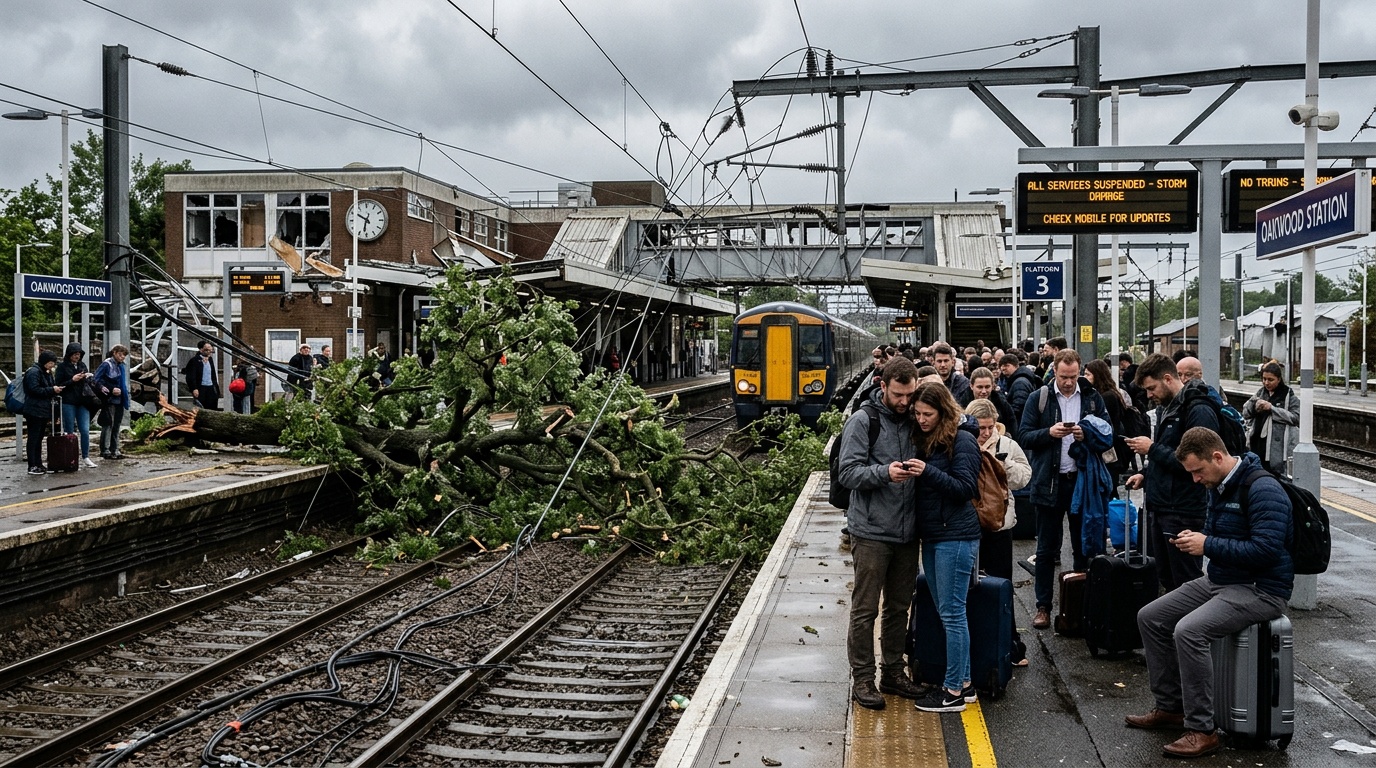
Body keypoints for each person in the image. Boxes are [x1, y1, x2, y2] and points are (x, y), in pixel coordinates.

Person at [1127, 427, 1292, 759]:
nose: (1195, 480)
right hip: (1221, 580)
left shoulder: (1263, 490)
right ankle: (1171, 707)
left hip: (1260, 589)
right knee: (1151, 617)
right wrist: (1198, 537)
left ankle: (1202, 729)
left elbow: (1266, 550)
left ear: (1217, 457)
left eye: (1197, 471)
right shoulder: (1219, 485)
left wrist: (1208, 544)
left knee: (1190, 631)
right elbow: (1225, 537)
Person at [836, 355, 926, 710]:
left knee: (898, 607)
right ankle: (863, 678)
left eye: (910, 395)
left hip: (907, 532)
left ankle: (892, 672)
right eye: (899, 395)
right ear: (883, 386)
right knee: (865, 609)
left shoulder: (916, 420)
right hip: (872, 532)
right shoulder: (864, 421)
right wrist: (884, 473)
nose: (905, 402)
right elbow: (848, 473)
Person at [1018, 348, 1110, 630]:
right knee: (1046, 549)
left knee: (1085, 546)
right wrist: (1049, 433)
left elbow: (1108, 436)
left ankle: (1080, 606)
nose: (1068, 382)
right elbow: (1023, 435)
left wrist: (1088, 435)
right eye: (1063, 377)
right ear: (1054, 372)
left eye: (1072, 377)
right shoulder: (1040, 398)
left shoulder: (1093, 398)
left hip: (1080, 483)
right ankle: (1043, 606)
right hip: (1049, 483)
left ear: (1079, 371)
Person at [908, 382, 982, 713]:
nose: (921, 419)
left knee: (952, 613)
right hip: (935, 535)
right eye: (917, 413)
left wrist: (926, 472)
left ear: (943, 412)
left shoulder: (962, 439)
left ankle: (951, 691)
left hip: (956, 535)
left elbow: (966, 488)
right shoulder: (925, 438)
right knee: (946, 612)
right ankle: (964, 685)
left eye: (928, 414)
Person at [1125, 354, 1221, 592]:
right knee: (1166, 577)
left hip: (1182, 509)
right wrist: (1146, 474)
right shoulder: (1169, 408)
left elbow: (1198, 462)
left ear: (1168, 379)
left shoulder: (1197, 409)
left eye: (1151, 388)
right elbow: (1172, 451)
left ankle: (1191, 628)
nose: (1149, 395)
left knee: (1186, 580)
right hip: (1162, 506)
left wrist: (1152, 449)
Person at [965, 397, 1032, 666]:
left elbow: (1024, 477)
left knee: (1002, 585)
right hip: (968, 526)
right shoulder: (962, 445)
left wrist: (1001, 463)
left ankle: (1010, 643)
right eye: (980, 427)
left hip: (1000, 526)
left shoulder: (1007, 445)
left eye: (990, 427)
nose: (986, 433)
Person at [1243, 362, 1299, 476]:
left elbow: (1296, 418)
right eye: (1264, 379)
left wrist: (1272, 409)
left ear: (1278, 379)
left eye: (1270, 379)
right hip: (1257, 445)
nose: (1266, 383)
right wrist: (1254, 406)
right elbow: (1245, 413)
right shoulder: (1260, 393)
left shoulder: (1288, 396)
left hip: (1277, 452)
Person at [1084, 358, 1134, 480]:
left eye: (1088, 374)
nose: (1085, 377)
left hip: (1109, 450)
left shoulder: (1106, 397)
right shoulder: (1109, 393)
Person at [54, 342, 98, 468]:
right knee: (70, 430)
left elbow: (87, 382)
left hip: (83, 401)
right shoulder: (62, 367)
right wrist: (72, 380)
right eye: (74, 355)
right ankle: (71, 456)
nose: (76, 357)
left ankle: (86, 456)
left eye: (78, 354)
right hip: (68, 401)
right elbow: (59, 383)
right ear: (69, 355)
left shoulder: (82, 365)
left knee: (85, 430)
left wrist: (86, 377)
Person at [22, 349, 65, 474]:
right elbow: (34, 389)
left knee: (39, 438)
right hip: (34, 409)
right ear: (45, 362)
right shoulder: (34, 372)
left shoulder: (46, 372)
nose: (53, 366)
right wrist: (52, 390)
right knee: (33, 438)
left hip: (43, 409)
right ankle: (32, 465)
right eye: (51, 363)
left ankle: (38, 463)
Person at [93, 345, 130, 459]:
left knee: (117, 425)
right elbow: (96, 380)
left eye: (124, 355)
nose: (122, 357)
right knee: (108, 423)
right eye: (120, 354)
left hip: (119, 399)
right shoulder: (107, 364)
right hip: (109, 399)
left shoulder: (121, 366)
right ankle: (105, 449)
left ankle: (115, 449)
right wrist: (110, 389)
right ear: (114, 353)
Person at [968, 366, 1017, 435]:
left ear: (993, 386)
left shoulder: (1002, 405)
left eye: (987, 387)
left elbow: (1012, 427)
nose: (984, 391)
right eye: (980, 387)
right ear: (971, 386)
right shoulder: (962, 404)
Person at [930, 342, 972, 407]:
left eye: (946, 361)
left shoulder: (963, 383)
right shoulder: (929, 382)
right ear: (933, 362)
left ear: (953, 362)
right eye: (939, 361)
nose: (943, 365)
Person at [183, 340, 221, 410]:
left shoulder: (210, 360)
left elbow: (213, 374)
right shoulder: (194, 360)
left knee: (212, 406)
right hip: (201, 387)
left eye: (210, 350)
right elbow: (191, 376)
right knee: (201, 407)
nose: (209, 352)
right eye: (206, 350)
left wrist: (216, 388)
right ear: (201, 350)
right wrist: (194, 388)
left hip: (211, 387)